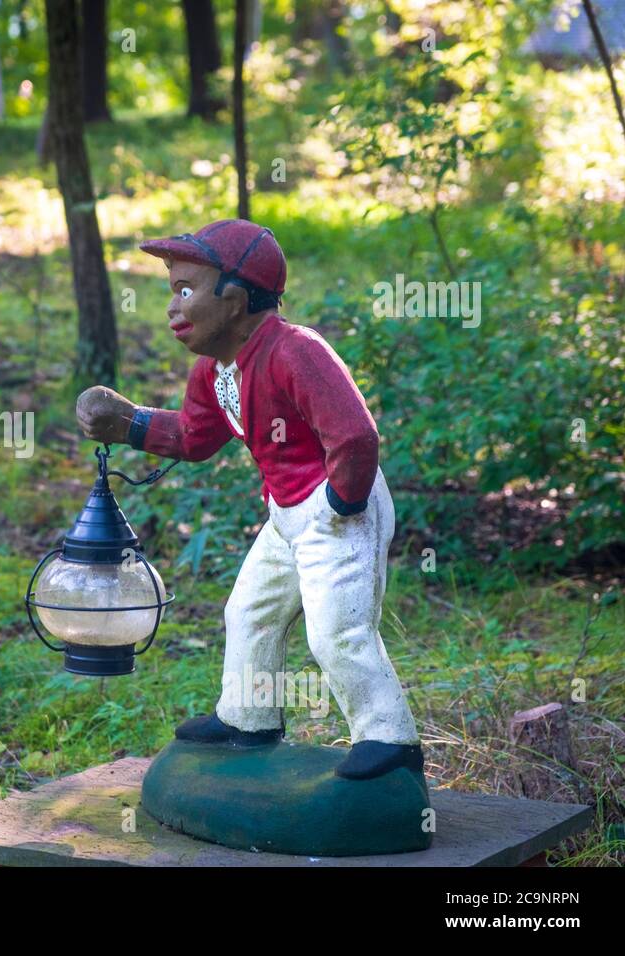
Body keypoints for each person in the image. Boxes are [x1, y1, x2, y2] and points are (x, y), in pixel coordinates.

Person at [76, 219, 422, 780]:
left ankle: (390, 741)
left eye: (186, 290)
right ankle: (248, 717)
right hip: (286, 512)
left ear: (234, 300)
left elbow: (355, 435)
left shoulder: (296, 352)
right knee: (249, 613)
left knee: (337, 630)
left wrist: (340, 503)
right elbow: (194, 436)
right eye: (172, 291)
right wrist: (130, 423)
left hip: (336, 510)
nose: (173, 307)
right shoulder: (215, 372)